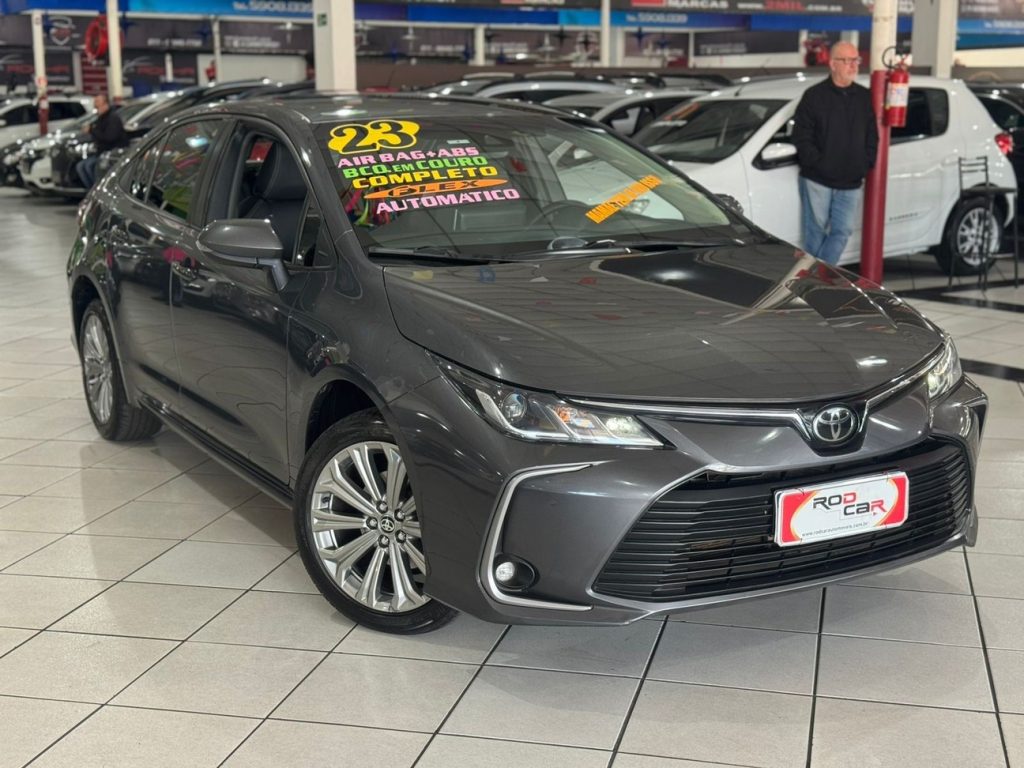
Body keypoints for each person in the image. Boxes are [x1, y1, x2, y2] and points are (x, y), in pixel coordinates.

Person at [792, 41, 879, 265]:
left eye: (856, 60)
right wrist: (817, 163)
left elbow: (872, 136)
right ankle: (818, 279)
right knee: (815, 233)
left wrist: (865, 163)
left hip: (851, 181)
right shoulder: (814, 96)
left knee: (842, 232)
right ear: (832, 64)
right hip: (817, 179)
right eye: (847, 60)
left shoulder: (863, 97)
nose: (853, 65)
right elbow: (801, 136)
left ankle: (818, 276)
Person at [75, 93, 128, 189]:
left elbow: (109, 137)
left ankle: (98, 188)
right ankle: (91, 189)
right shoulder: (100, 118)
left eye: (98, 102)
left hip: (111, 152)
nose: (95, 104)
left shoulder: (113, 118)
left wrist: (92, 130)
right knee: (81, 166)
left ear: (105, 104)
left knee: (89, 166)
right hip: (100, 151)